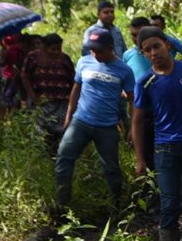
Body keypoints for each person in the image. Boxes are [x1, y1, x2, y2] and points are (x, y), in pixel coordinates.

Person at [133, 26, 182, 241]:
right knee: (170, 203)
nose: (154, 53)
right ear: (143, 54)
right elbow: (137, 120)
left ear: (167, 45)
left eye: (157, 46)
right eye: (147, 50)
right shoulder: (146, 82)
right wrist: (140, 159)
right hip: (165, 150)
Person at [56, 29, 135, 215]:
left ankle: (115, 207)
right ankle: (62, 207)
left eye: (99, 50)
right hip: (81, 122)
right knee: (63, 159)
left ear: (110, 48)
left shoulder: (124, 70)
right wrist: (69, 117)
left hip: (107, 127)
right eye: (92, 50)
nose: (95, 54)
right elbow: (76, 89)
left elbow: (132, 99)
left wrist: (131, 126)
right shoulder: (84, 62)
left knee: (111, 168)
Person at [21, 33, 75, 153]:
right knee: (43, 133)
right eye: (53, 49)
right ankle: (47, 158)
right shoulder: (33, 57)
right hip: (42, 102)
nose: (56, 52)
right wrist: (32, 96)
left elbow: (73, 80)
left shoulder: (65, 58)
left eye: (58, 49)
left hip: (62, 102)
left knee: (62, 132)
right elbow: (25, 76)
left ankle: (59, 157)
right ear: (45, 47)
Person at [123, 16, 155, 174]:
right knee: (147, 159)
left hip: (160, 112)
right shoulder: (127, 56)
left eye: (140, 34)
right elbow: (127, 91)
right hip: (141, 113)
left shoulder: (159, 52)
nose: (137, 39)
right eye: (133, 35)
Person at [0, 34, 30, 110]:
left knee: (7, 96)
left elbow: (3, 63)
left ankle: (13, 112)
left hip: (11, 76)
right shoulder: (25, 51)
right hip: (17, 76)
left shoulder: (11, 50)